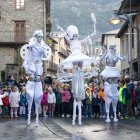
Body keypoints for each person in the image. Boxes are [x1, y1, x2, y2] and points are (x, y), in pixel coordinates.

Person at [21, 30, 52, 126]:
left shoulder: (42, 46)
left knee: (38, 96)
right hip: (32, 68)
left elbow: (45, 56)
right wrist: (27, 66)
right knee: (30, 97)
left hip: (38, 69)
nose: (40, 38)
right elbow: (27, 56)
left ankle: (37, 120)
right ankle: (29, 118)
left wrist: (43, 52)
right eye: (39, 36)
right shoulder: (32, 45)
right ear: (36, 37)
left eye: (41, 37)